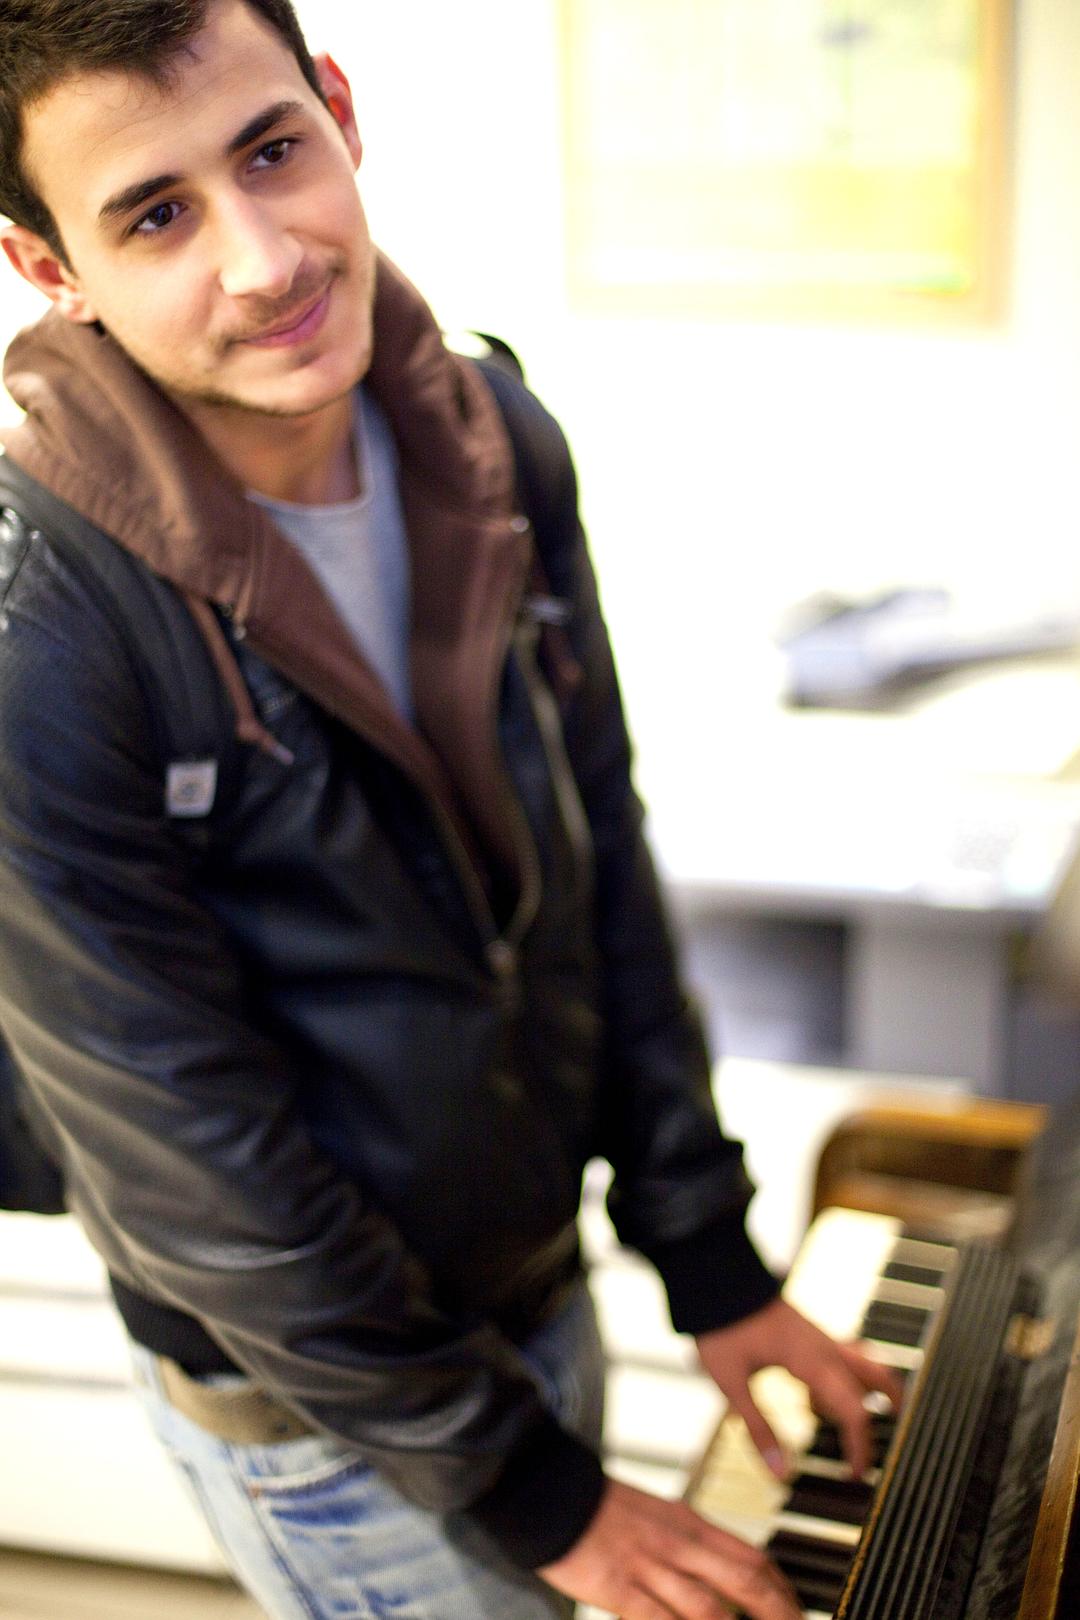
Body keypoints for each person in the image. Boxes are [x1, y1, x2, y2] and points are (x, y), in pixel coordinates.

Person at [0, 3, 899, 1616]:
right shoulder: (40, 624)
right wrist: (522, 1484)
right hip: (325, 1409)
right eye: (156, 216)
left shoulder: (495, 436)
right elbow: (182, 1146)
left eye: (273, 150)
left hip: (532, 1284)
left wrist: (709, 1256)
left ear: (340, 110)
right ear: (47, 265)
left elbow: (597, 854)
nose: (265, 260)